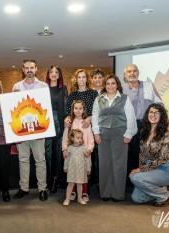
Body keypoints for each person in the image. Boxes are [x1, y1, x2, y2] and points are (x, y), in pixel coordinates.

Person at [92, 74, 137, 202]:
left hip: (120, 135)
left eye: (113, 83)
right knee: (104, 164)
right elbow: (95, 116)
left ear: (117, 85)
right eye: (108, 84)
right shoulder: (98, 99)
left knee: (119, 165)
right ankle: (105, 193)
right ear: (104, 86)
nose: (110, 86)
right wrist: (96, 133)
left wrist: (129, 134)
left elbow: (131, 117)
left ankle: (118, 194)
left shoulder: (124, 98)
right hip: (103, 135)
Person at [12, 59, 49, 201]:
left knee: (40, 160)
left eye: (32, 67)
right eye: (26, 67)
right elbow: (13, 110)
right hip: (22, 129)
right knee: (23, 160)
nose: (29, 70)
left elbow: (46, 108)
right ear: (22, 69)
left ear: (36, 69)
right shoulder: (16, 86)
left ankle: (42, 189)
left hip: (39, 129)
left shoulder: (43, 86)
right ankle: (24, 188)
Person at [122, 64, 163, 187]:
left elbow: (160, 103)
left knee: (149, 153)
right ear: (125, 75)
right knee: (135, 153)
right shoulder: (122, 90)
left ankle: (150, 180)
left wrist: (155, 118)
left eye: (134, 71)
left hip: (148, 125)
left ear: (138, 73)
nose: (132, 73)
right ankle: (136, 182)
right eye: (129, 71)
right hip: (131, 125)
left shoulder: (148, 85)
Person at [129, 104, 169, 207]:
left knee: (135, 178)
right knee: (136, 199)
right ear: (147, 115)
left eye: (157, 113)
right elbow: (142, 155)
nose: (153, 115)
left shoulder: (167, 134)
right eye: (151, 112)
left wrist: (140, 170)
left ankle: (164, 195)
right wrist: (141, 167)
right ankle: (160, 188)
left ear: (161, 116)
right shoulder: (144, 132)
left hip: (166, 170)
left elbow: (162, 158)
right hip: (149, 168)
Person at [64, 69, 97, 200]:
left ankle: (84, 190)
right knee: (72, 163)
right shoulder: (72, 95)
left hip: (87, 129)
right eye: (79, 77)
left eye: (84, 77)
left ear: (87, 79)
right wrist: (66, 119)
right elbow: (67, 112)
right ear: (76, 79)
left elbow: (97, 111)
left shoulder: (94, 93)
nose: (81, 79)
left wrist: (90, 118)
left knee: (86, 161)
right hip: (73, 131)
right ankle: (72, 190)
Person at [62, 100, 94, 203]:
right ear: (72, 109)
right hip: (72, 153)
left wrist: (89, 149)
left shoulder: (86, 123)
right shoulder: (69, 122)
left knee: (84, 174)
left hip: (83, 153)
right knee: (72, 173)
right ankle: (72, 191)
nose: (78, 110)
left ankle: (84, 192)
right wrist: (64, 149)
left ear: (84, 109)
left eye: (80, 108)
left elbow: (91, 139)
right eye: (76, 108)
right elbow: (65, 137)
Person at [44, 65, 68, 194]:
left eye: (56, 72)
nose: (53, 74)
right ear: (48, 75)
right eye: (51, 71)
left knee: (57, 151)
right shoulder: (42, 88)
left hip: (58, 122)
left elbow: (65, 107)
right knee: (47, 152)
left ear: (59, 75)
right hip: (45, 123)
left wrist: (66, 120)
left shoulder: (63, 89)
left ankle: (56, 179)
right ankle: (48, 179)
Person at [63, 129, 92, 206]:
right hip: (72, 170)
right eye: (78, 138)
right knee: (70, 184)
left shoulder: (83, 148)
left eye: (81, 138)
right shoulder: (70, 148)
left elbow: (87, 158)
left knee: (79, 184)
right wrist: (65, 167)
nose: (80, 140)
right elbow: (66, 158)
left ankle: (79, 198)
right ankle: (67, 199)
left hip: (81, 170)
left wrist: (88, 168)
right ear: (72, 138)